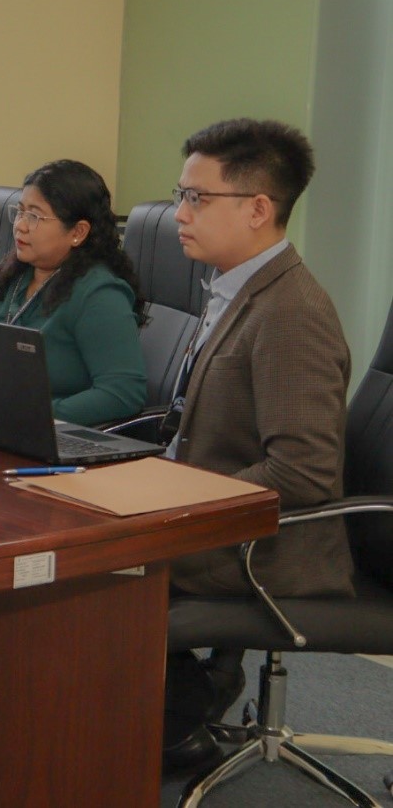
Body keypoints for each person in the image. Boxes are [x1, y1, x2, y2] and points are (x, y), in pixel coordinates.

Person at [160, 118, 354, 770]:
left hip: (269, 547)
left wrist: (176, 504)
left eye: (196, 198)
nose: (178, 213)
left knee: (83, 567)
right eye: (180, 194)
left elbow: (302, 473)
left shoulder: (290, 311)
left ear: (257, 209)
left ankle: (176, 722)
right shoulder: (234, 287)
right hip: (218, 518)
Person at [0, 160, 146, 426]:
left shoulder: (98, 294)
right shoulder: (1, 277)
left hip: (53, 436)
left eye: (35, 216)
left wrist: (39, 414)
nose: (21, 226)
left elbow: (123, 393)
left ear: (77, 232)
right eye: (20, 211)